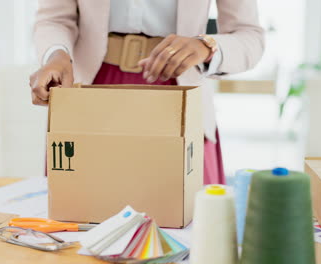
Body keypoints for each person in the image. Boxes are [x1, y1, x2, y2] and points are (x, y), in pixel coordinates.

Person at [30, 0, 265, 184]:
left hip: (180, 93)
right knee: (78, 223)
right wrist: (56, 55)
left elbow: (249, 34)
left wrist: (207, 46)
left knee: (189, 233)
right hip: (93, 90)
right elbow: (54, 18)